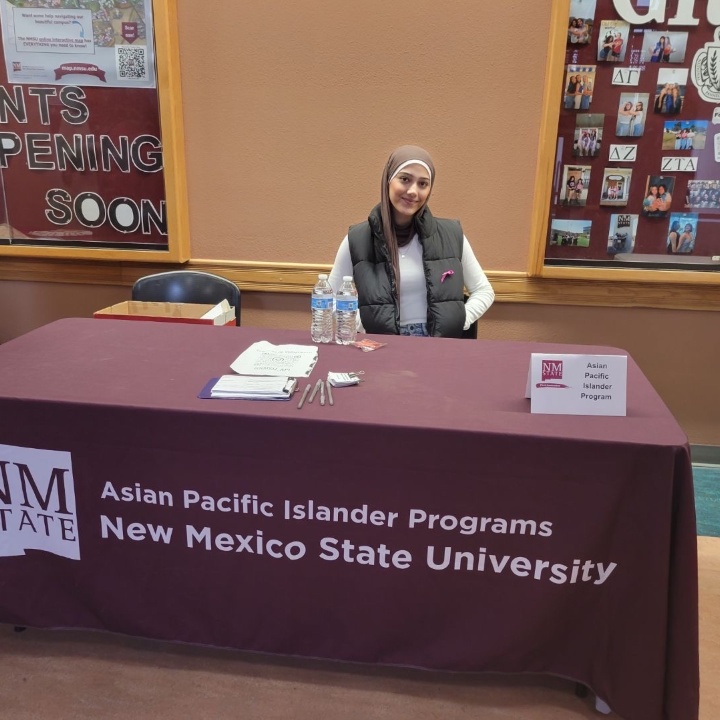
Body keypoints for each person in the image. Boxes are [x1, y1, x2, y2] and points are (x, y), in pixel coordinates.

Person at [329, 145, 494, 338]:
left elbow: (484, 291)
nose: (413, 191)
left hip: (437, 346)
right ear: (388, 181)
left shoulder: (451, 235)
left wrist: (460, 319)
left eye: (423, 184)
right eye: (405, 179)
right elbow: (330, 296)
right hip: (381, 347)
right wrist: (361, 325)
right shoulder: (358, 238)